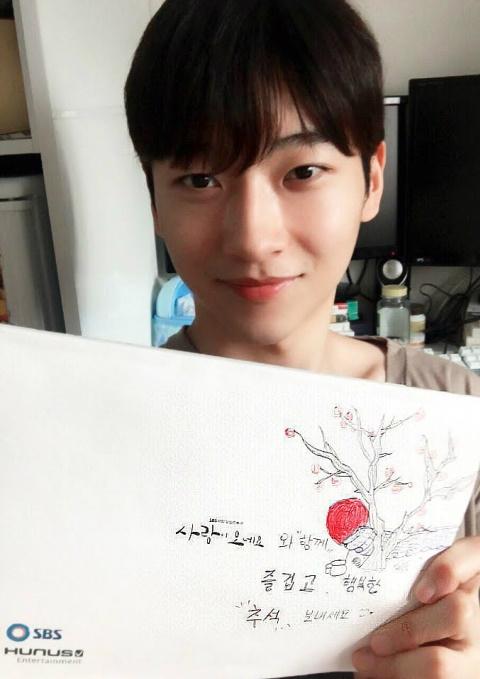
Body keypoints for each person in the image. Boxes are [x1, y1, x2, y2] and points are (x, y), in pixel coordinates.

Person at [124, 1, 480, 677]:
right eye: (200, 179)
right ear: (153, 202)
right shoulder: (100, 430)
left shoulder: (462, 416)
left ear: (372, 179)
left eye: (302, 172)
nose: (253, 238)